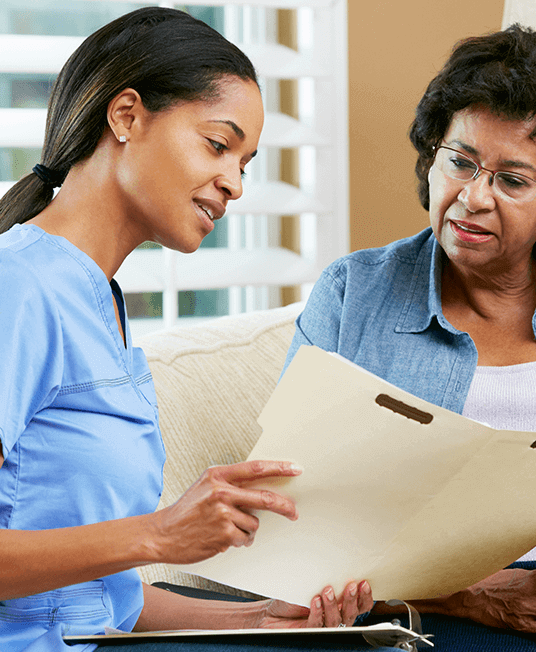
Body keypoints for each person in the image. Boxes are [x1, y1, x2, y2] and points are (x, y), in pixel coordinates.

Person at [0, 8, 375, 652]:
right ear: (126, 116)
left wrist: (256, 621)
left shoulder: (102, 305)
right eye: (217, 144)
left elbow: (99, 598)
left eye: (246, 162)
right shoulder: (20, 287)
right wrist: (160, 535)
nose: (233, 182)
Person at [283, 24, 536, 648]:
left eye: (513, 180)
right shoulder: (352, 293)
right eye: (459, 162)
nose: (472, 197)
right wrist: (471, 594)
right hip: (426, 613)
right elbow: (295, 515)